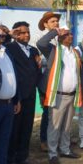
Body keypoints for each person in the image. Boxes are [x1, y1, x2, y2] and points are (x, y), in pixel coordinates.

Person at [37, 27, 82, 164]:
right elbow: (41, 43)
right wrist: (55, 31)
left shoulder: (74, 52)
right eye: (67, 34)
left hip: (72, 94)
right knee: (54, 125)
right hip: (58, 95)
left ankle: (65, 149)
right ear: (60, 37)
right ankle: (52, 153)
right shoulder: (54, 51)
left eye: (71, 34)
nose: (70, 36)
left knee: (67, 125)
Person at [6, 22, 41, 164]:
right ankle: (10, 159)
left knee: (27, 127)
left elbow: (36, 71)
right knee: (14, 128)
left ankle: (23, 156)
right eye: (22, 33)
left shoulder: (33, 50)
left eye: (28, 32)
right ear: (15, 34)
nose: (26, 35)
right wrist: (9, 36)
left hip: (31, 94)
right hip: (17, 96)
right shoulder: (9, 48)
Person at [0, 24, 21, 164]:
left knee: (4, 140)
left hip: (9, 104)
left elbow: (13, 77)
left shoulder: (6, 51)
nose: (1, 37)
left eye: (3, 36)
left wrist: (16, 99)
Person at [30, 11, 61, 152]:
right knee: (47, 113)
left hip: (58, 81)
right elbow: (35, 59)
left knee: (58, 112)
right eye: (52, 21)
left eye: (56, 21)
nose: (56, 24)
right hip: (45, 81)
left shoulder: (59, 37)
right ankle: (44, 140)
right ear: (45, 24)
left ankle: (55, 138)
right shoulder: (39, 38)